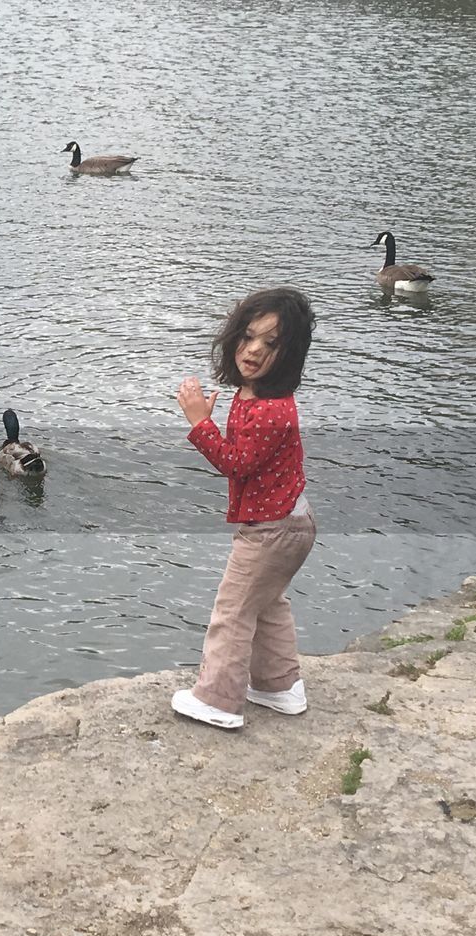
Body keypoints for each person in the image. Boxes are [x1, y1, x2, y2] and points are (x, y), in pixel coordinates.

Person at [172, 287, 317, 729]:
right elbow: (246, 454)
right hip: (291, 522)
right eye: (248, 337)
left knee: (232, 610)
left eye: (271, 345)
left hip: (271, 531)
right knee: (268, 603)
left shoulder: (271, 411)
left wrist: (199, 424)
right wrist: (215, 424)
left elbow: (236, 464)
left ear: (289, 356)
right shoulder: (254, 395)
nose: (253, 350)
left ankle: (218, 699)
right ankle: (280, 687)